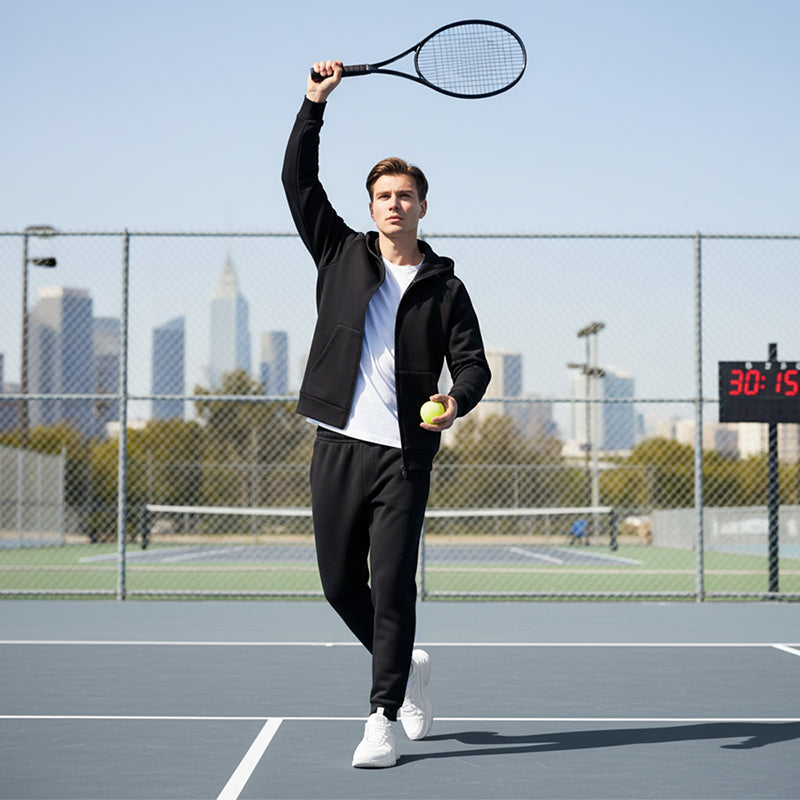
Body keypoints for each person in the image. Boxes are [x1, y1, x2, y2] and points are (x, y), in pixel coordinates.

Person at [282, 60, 491, 768]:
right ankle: (407, 664)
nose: (394, 204)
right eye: (383, 195)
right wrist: (315, 102)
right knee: (340, 584)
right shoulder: (339, 254)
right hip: (338, 445)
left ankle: (381, 715)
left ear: (423, 207)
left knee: (393, 582)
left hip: (405, 457)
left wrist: (455, 401)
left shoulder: (446, 288)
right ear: (369, 207)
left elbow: (472, 365)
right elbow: (298, 182)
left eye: (405, 195)